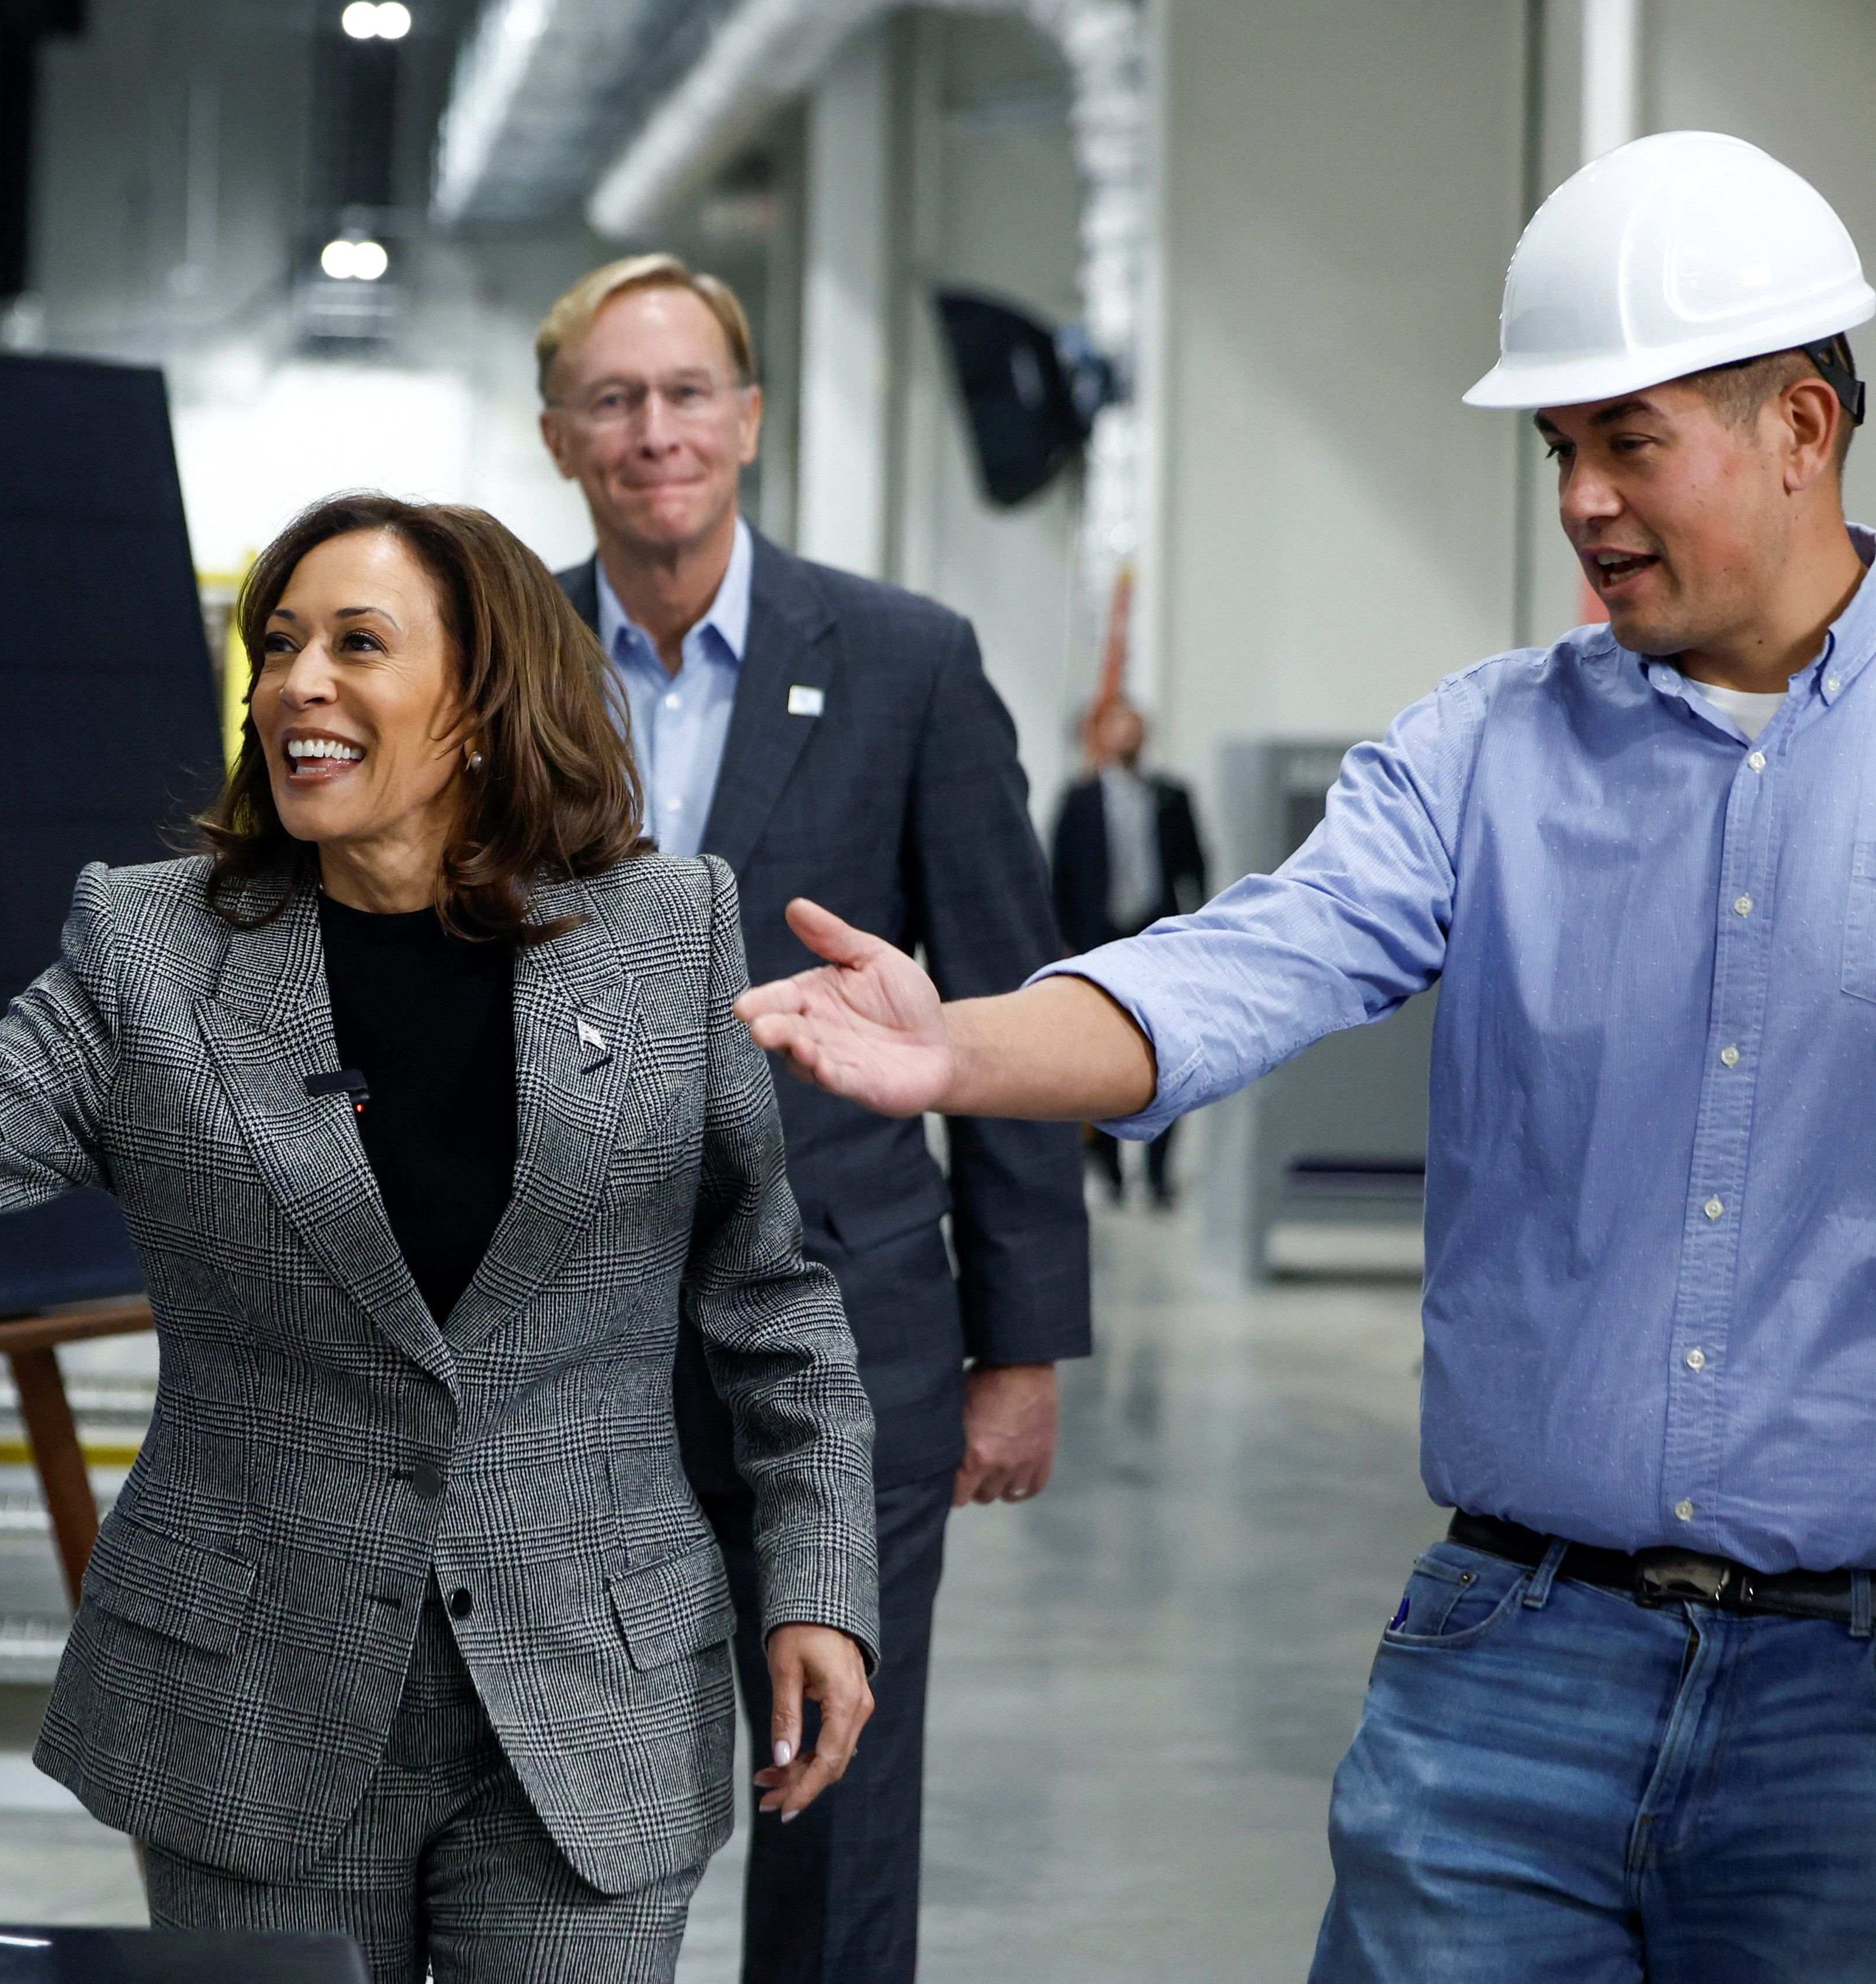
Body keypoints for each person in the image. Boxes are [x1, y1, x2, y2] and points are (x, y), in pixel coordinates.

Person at [734, 130, 1876, 1978]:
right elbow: (1237, 968)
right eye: (1559, 450)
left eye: (1631, 441)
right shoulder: (1484, 752)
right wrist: (955, 1045)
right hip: (1515, 1665)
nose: (1581, 500)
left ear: (1802, 426)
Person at [0, 492, 881, 1983]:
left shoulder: (663, 927)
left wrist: (818, 1580)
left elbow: (769, 1298)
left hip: (589, 1688)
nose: (296, 679)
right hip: (254, 1698)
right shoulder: (153, 945)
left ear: (482, 702)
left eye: (357, 643)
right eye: (277, 643)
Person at [533, 252, 1089, 1984]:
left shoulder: (908, 662)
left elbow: (1007, 1011)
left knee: (835, 1784)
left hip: (852, 1336)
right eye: (613, 400)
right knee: (567, 1789)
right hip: (564, 1337)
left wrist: (1021, 1347)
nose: (656, 432)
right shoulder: (501, 662)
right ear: (559, 437)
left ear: (750, 420)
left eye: (689, 391)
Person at [1046, 697, 1206, 1205]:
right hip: (1099, 936)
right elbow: (1060, 874)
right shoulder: (1080, 798)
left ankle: (1159, 1174)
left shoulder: (1170, 796)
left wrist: (1197, 929)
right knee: (1102, 1053)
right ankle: (1110, 1168)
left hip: (1156, 933)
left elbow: (1195, 867)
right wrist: (1064, 938)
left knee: (1171, 1050)